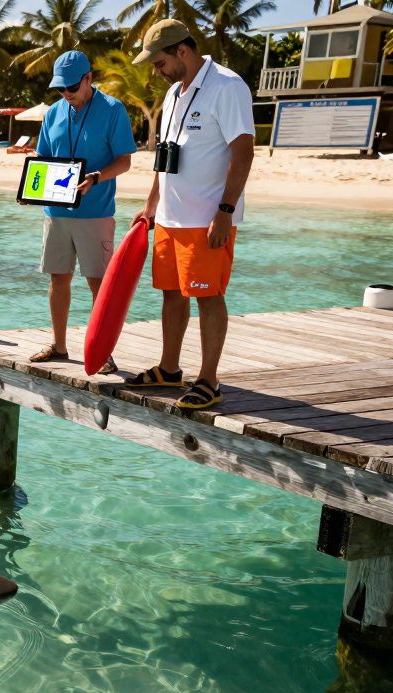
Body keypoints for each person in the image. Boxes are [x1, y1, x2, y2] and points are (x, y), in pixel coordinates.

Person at [124, 19, 255, 410]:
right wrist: (151, 205)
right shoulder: (175, 94)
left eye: (159, 62)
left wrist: (225, 212)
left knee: (207, 296)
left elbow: (243, 152)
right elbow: (166, 156)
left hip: (207, 219)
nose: (155, 70)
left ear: (182, 51)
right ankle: (169, 369)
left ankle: (209, 381)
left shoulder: (227, 86)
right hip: (170, 216)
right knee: (170, 293)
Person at [26, 50, 137, 375]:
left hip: (96, 214)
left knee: (98, 284)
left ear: (89, 78)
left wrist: (97, 177)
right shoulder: (53, 113)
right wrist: (30, 189)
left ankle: (104, 353)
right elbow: (43, 159)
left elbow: (125, 160)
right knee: (58, 278)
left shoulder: (113, 110)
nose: (66, 94)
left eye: (72, 87)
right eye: (61, 88)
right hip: (56, 213)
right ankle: (59, 347)